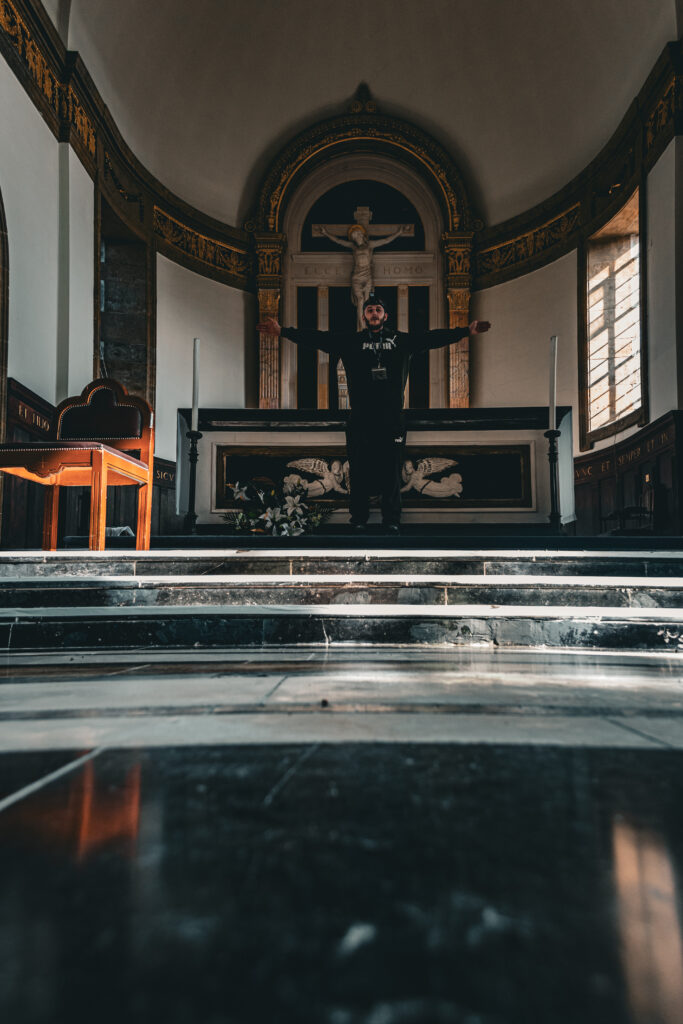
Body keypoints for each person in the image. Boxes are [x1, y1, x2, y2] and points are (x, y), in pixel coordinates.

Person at [256, 294, 491, 532]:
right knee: (358, 471)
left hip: (392, 419)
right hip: (360, 418)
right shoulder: (351, 341)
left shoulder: (401, 340)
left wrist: (466, 331)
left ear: (385, 315)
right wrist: (283, 331)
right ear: (364, 317)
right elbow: (318, 338)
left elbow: (432, 338)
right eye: (370, 310)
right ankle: (359, 519)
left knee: (392, 472)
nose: (374, 313)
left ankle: (392, 520)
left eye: (378, 309)